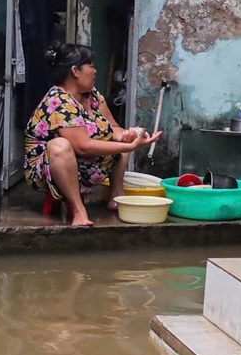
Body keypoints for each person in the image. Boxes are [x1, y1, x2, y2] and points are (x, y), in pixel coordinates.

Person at [23, 42, 160, 228]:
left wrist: (127, 135)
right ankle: (79, 210)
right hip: (50, 168)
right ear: (75, 71)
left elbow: (113, 127)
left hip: (84, 162)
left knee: (115, 139)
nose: (95, 71)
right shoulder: (58, 101)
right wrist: (129, 146)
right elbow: (83, 146)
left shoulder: (91, 95)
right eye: (91, 66)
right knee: (60, 145)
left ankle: (116, 196)